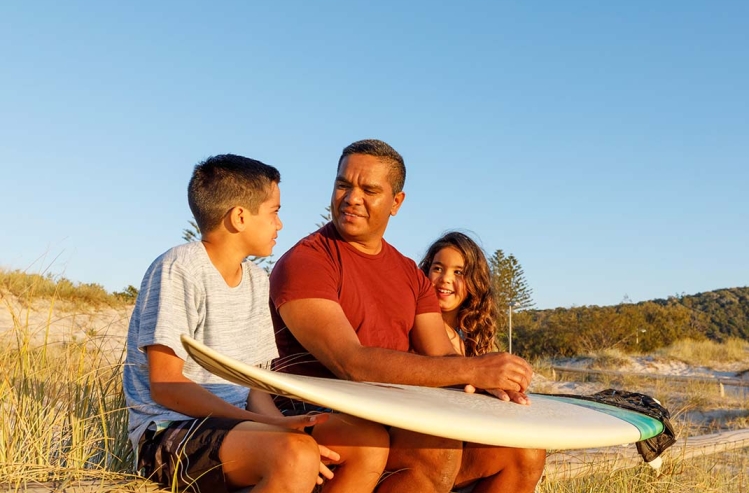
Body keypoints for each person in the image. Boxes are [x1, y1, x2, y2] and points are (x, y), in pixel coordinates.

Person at [269, 139, 536, 493]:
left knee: (524, 452)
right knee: (432, 448)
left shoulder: (409, 273)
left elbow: (439, 355)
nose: (352, 198)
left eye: (369, 189)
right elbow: (351, 362)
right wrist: (473, 368)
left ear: (396, 202)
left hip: (395, 410)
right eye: (343, 185)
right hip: (321, 412)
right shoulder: (307, 262)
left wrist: (492, 381)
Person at [123, 154, 387, 493]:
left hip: (241, 428)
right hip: (169, 432)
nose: (280, 224)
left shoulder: (257, 280)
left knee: (367, 441)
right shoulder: (179, 267)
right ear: (240, 217)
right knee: (295, 454)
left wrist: (278, 423)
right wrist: (268, 426)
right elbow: (167, 385)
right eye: (274, 212)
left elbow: (254, 387)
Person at [418, 231, 547, 492]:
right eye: (438, 268)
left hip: (464, 441)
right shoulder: (415, 322)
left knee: (530, 451)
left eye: (458, 272)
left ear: (474, 282)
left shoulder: (469, 336)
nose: (445, 279)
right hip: (426, 445)